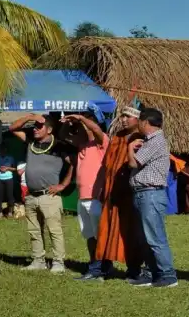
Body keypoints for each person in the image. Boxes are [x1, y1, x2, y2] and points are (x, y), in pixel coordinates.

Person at [9, 113, 74, 273]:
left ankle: (58, 262)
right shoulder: (30, 141)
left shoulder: (59, 146)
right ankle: (38, 260)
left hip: (49, 196)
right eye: (34, 126)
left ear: (50, 129)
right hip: (31, 195)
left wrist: (63, 185)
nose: (35, 129)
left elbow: (74, 164)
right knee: (34, 230)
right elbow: (12, 128)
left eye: (40, 126)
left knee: (54, 230)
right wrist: (30, 117)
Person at [126, 107, 178, 288]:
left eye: (139, 121)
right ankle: (151, 272)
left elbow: (134, 162)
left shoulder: (155, 142)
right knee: (145, 237)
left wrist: (130, 148)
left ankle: (168, 275)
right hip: (144, 193)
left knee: (155, 236)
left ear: (145, 122)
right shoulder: (150, 142)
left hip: (151, 194)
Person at [95, 106, 147, 281]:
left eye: (128, 116)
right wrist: (102, 188)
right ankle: (104, 266)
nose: (123, 120)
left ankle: (134, 268)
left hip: (129, 192)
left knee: (129, 230)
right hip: (112, 191)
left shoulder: (141, 139)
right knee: (106, 228)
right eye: (122, 116)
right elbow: (106, 165)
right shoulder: (116, 138)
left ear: (137, 119)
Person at [63, 112, 113, 281]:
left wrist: (82, 119)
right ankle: (95, 266)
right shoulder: (82, 145)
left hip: (96, 198)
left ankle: (102, 268)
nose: (81, 129)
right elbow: (63, 136)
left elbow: (97, 130)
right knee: (89, 235)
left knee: (100, 235)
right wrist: (67, 123)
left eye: (84, 126)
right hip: (82, 198)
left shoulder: (101, 142)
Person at [0, 143, 17, 218]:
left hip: (9, 178)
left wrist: (7, 168)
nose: (3, 150)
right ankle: (0, 212)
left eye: (4, 149)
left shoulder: (11, 158)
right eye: (1, 149)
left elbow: (15, 168)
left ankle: (10, 212)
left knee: (10, 195)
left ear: (6, 150)